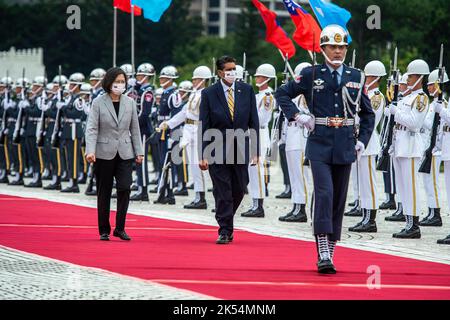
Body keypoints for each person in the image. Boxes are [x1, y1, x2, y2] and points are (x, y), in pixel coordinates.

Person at [275, 25, 375, 273]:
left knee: (339, 199)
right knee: (325, 194)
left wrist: (362, 139)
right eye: (333, 46)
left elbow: (368, 114)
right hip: (319, 143)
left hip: (345, 144)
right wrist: (297, 115)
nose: (338, 51)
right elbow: (282, 93)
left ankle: (330, 252)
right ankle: (322, 248)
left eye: (342, 47)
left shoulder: (356, 76)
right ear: (322, 49)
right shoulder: (311, 74)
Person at [199, 55, 260, 244]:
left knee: (240, 188)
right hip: (217, 148)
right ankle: (225, 229)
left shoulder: (247, 90)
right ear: (220, 72)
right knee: (223, 190)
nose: (233, 72)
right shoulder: (209, 93)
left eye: (234, 69)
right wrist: (203, 154)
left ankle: (225, 216)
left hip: (241, 147)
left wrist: (256, 151)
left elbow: (254, 122)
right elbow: (204, 124)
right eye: (229, 69)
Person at [85, 67, 144, 241]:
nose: (120, 85)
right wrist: (90, 150)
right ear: (109, 83)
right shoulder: (98, 102)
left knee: (125, 187)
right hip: (103, 153)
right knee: (104, 191)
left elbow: (135, 129)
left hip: (125, 152)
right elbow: (92, 128)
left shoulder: (130, 103)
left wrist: (139, 152)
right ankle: (104, 229)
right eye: (117, 81)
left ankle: (120, 227)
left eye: (122, 81)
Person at [388, 59, 430, 239]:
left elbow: (414, 123)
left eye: (412, 76)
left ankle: (414, 225)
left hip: (411, 146)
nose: (409, 79)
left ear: (420, 78)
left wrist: (396, 112)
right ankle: (407, 222)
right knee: (403, 187)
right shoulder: (407, 98)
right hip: (400, 144)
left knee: (411, 187)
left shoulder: (421, 98)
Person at [160, 66, 212, 209]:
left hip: (199, 129)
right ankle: (197, 195)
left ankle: (201, 197)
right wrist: (169, 124)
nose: (193, 81)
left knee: (198, 165)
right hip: (189, 130)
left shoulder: (206, 95)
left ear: (202, 80)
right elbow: (184, 113)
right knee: (193, 166)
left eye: (195, 79)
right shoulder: (195, 94)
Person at [348, 60, 386, 232]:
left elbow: (371, 120)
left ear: (375, 78)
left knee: (369, 182)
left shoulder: (376, 97)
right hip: (358, 141)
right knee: (362, 182)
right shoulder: (363, 94)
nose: (365, 78)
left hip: (368, 142)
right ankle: (364, 216)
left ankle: (371, 219)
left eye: (368, 76)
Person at [240, 63, 276, 218]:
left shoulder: (267, 97)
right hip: (252, 133)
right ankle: (255, 203)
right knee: (252, 170)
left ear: (267, 79)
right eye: (257, 76)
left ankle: (259, 206)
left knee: (257, 170)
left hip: (260, 134)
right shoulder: (257, 96)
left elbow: (262, 118)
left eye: (260, 76)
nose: (257, 78)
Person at [278, 62, 312, 223]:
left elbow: (309, 113)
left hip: (300, 137)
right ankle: (296, 205)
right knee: (293, 174)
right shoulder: (295, 94)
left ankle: (301, 207)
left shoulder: (306, 94)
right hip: (291, 134)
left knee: (301, 175)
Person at [418, 69, 448, 227]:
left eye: (431, 85)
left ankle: (436, 213)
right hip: (427, 147)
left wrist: (419, 120)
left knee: (433, 182)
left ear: (438, 85)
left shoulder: (442, 104)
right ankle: (431, 211)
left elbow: (434, 126)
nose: (428, 88)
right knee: (427, 182)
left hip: (436, 149)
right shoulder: (432, 104)